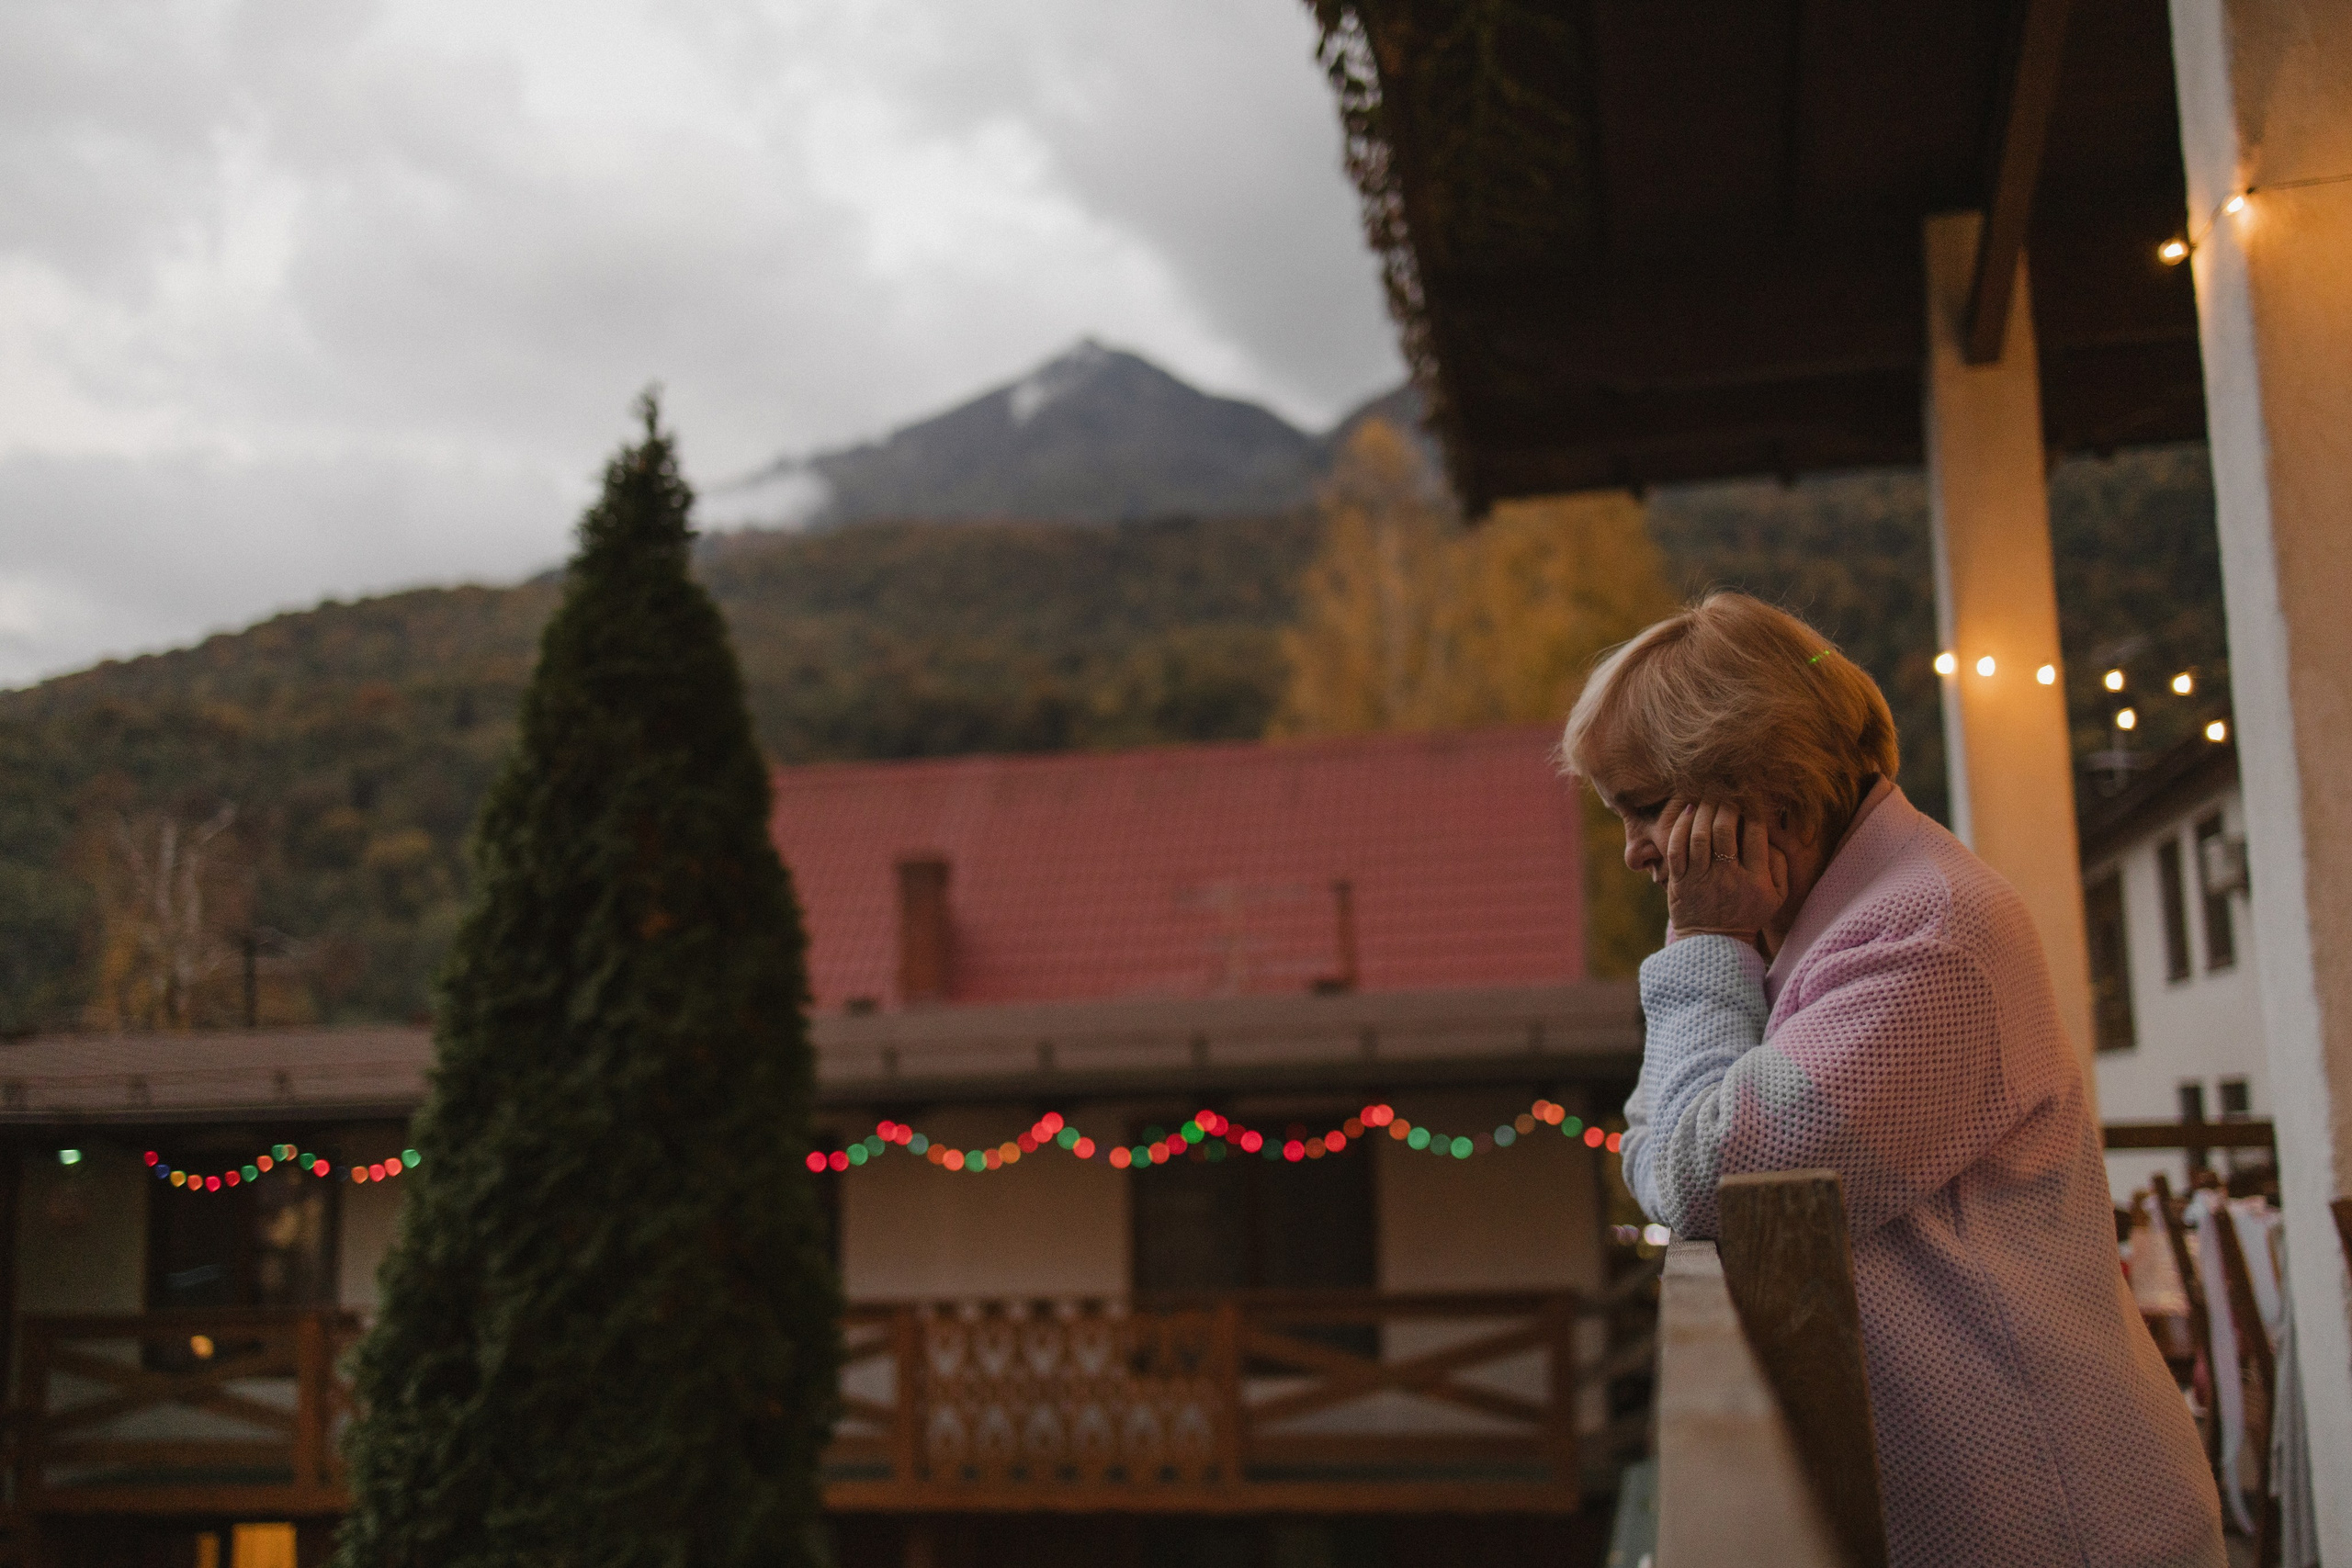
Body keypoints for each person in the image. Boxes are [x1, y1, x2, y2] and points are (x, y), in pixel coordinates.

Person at [1560, 592, 2222, 1568]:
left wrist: (1702, 944)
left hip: (2057, 1525)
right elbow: (1659, 1150)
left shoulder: (1926, 938)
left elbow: (1699, 1185)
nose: (1633, 852)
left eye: (1647, 808)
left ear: (1755, 783)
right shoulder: (1840, 924)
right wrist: (1718, 955)